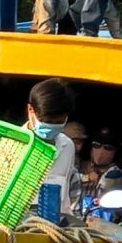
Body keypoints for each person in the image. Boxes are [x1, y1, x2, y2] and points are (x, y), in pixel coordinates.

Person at [24, 77, 83, 210]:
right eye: (47, 120)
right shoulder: (10, 144)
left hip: (54, 227)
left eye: (58, 122)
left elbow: (68, 196)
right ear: (30, 111)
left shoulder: (68, 146)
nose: (52, 126)